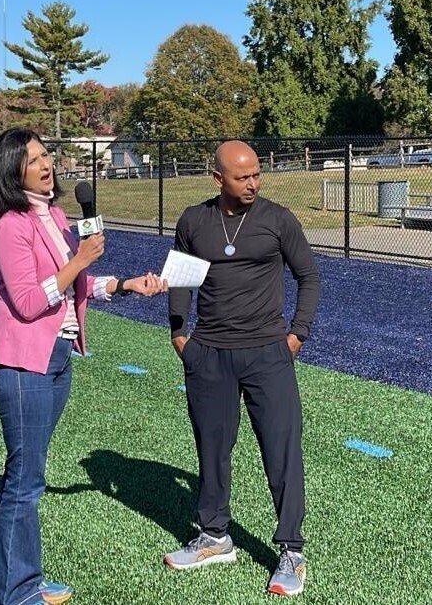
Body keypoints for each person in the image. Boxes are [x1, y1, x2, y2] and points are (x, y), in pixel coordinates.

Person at [0, 128, 165, 605]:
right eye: (35, 158)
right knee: (26, 476)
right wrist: (79, 258)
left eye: (46, 155)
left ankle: (23, 578)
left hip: (58, 358)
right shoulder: (10, 226)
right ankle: (13, 591)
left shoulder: (56, 215)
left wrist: (123, 285)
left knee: (29, 472)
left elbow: (74, 287)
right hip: (24, 364)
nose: (47, 164)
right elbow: (26, 300)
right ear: (11, 170)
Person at [164, 140, 321, 597]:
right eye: (242, 176)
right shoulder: (194, 220)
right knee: (212, 448)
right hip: (209, 354)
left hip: (269, 353)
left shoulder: (277, 220)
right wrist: (179, 335)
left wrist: (296, 335)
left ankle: (291, 549)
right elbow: (180, 280)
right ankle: (214, 536)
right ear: (218, 178)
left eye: (256, 174)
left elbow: (308, 277)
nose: (252, 183)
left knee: (281, 451)